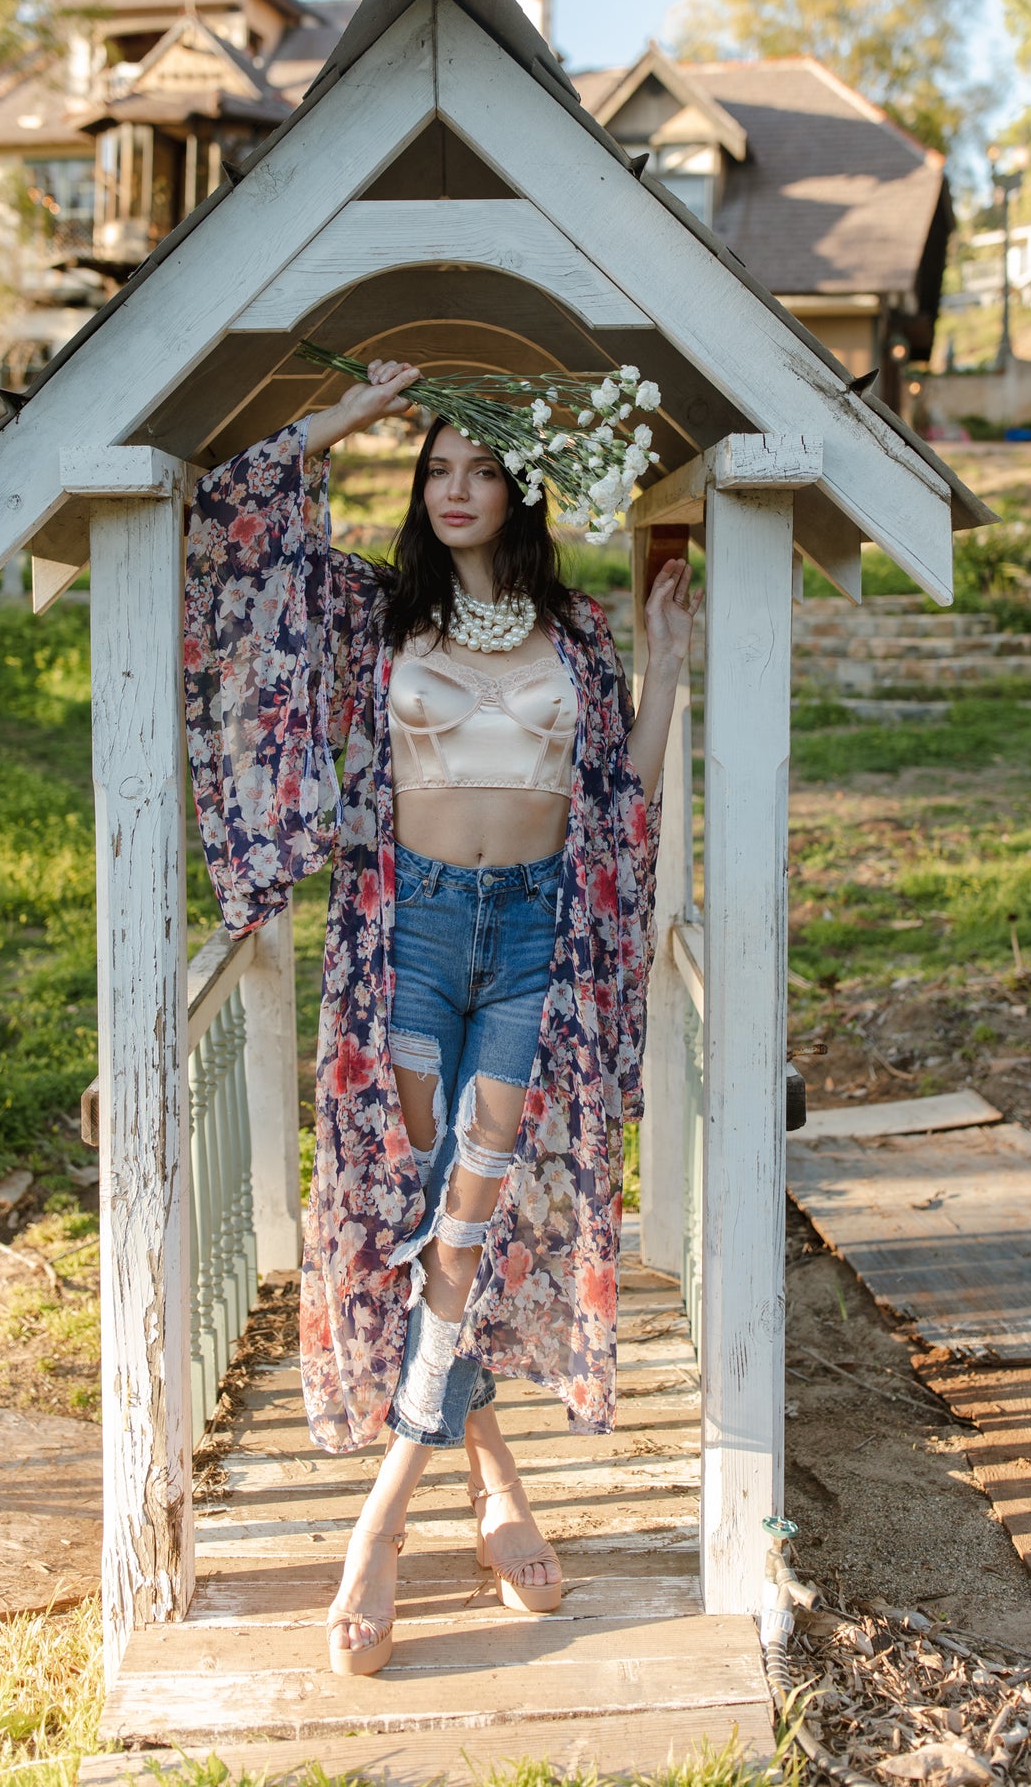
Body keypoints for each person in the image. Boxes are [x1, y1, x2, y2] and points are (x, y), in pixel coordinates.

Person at [183, 359, 699, 1677]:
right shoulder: (374, 613)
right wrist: (356, 409)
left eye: (477, 469)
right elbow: (235, 519)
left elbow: (621, 818)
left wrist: (663, 669)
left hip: (529, 938)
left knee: (458, 1232)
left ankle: (380, 1527)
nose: (452, 491)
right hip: (409, 939)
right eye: (434, 470)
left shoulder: (577, 635)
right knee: (429, 1232)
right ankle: (495, 1481)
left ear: (521, 489)